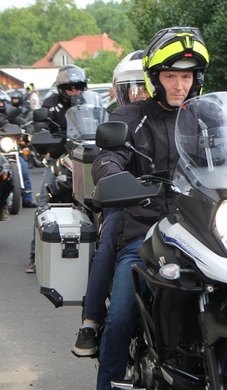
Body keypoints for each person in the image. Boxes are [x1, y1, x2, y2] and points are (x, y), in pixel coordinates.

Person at [74, 28, 209, 390]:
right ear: (156, 77)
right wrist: (113, 174)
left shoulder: (208, 117)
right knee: (121, 317)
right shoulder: (132, 118)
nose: (179, 84)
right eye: (171, 75)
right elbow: (108, 156)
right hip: (147, 228)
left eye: (186, 77)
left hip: (201, 226)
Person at [73, 50, 148, 357]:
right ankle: (91, 320)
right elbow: (108, 158)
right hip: (127, 199)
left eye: (144, 85)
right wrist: (115, 176)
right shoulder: (123, 119)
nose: (140, 93)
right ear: (120, 91)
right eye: (134, 86)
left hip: (177, 201)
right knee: (109, 240)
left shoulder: (184, 116)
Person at [25, 64, 89, 273]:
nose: (74, 92)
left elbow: (102, 122)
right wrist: (48, 137)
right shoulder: (50, 104)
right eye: (70, 88)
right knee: (45, 199)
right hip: (60, 157)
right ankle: (35, 255)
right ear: (62, 88)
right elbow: (40, 128)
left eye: (78, 87)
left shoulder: (90, 103)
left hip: (86, 157)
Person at [0, 85, 37, 209]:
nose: (0, 103)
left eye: (1, 101)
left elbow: (17, 119)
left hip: (8, 148)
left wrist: (27, 126)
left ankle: (27, 198)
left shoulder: (8, 111)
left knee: (23, 167)